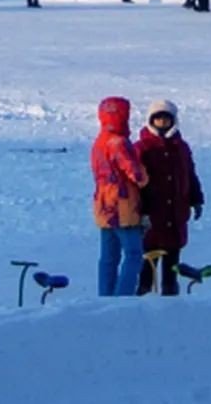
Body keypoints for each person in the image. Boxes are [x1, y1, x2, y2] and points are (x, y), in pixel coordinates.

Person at [137, 100, 204, 296]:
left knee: (172, 260)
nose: (162, 121)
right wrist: (140, 211)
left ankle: (170, 295)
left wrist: (196, 198)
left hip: (175, 214)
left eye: (166, 118)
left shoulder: (181, 148)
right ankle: (142, 295)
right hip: (152, 215)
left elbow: (190, 174)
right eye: (158, 118)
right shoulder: (142, 148)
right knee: (148, 261)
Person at [91, 96, 147, 297]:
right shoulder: (119, 143)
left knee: (108, 257)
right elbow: (136, 175)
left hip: (103, 206)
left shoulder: (99, 142)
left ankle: (104, 296)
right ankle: (122, 297)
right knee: (133, 254)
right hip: (123, 207)